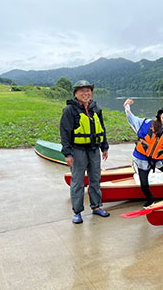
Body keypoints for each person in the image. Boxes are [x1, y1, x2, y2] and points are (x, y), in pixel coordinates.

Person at [60, 80, 110, 224]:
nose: (86, 93)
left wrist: (104, 147)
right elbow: (65, 132)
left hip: (94, 149)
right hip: (78, 151)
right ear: (76, 93)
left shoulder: (96, 108)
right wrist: (67, 153)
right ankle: (77, 212)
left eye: (88, 90)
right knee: (78, 182)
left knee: (95, 178)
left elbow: (102, 128)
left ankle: (96, 206)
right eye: (82, 91)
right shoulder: (69, 110)